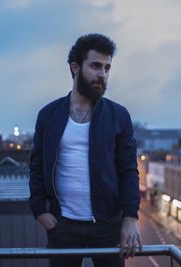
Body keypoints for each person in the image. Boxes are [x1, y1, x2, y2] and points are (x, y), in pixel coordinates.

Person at [29, 33, 141, 267]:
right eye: (96, 66)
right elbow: (37, 166)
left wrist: (130, 218)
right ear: (75, 68)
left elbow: (129, 170)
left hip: (108, 224)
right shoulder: (48, 115)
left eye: (107, 68)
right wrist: (40, 210)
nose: (103, 74)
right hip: (63, 225)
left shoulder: (118, 116)